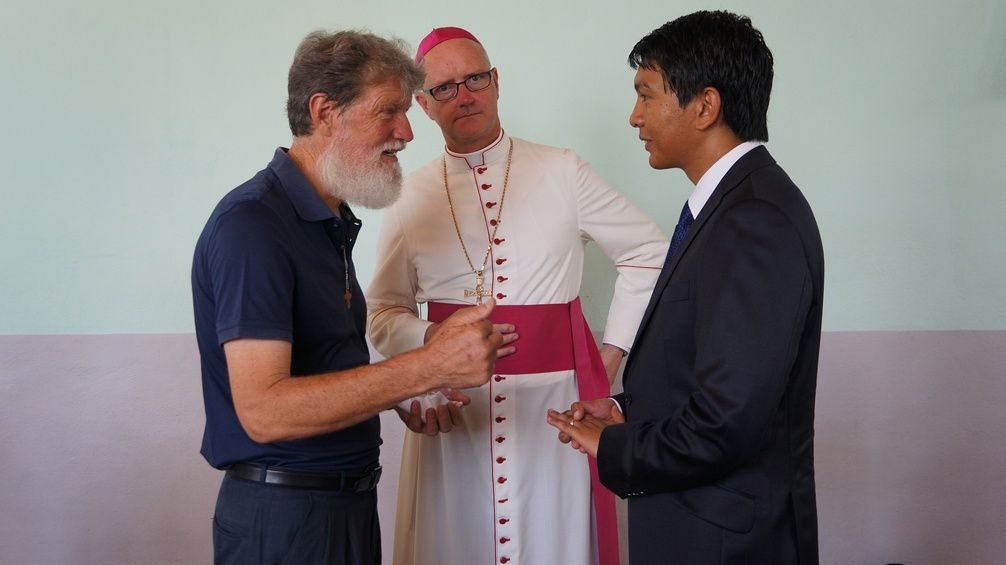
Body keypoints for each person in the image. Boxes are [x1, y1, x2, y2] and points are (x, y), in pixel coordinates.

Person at [191, 30, 512, 565]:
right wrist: (426, 369)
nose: (407, 132)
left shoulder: (329, 220)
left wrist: (398, 394)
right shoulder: (253, 225)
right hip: (286, 521)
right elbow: (264, 411)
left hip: (342, 508)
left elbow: (320, 372)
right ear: (324, 112)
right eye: (387, 111)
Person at [366, 26, 668, 565]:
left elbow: (649, 253)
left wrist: (611, 353)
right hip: (454, 413)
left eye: (476, 78)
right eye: (445, 88)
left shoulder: (562, 170)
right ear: (423, 104)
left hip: (552, 409)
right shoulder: (408, 195)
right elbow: (384, 312)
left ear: (496, 81)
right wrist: (432, 347)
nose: (465, 95)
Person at [548, 11, 824, 565]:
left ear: (704, 106)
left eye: (646, 95)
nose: (634, 116)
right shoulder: (725, 208)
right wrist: (629, 410)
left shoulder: (756, 219)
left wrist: (617, 447)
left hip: (725, 541)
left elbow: (728, 422)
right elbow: (707, 371)